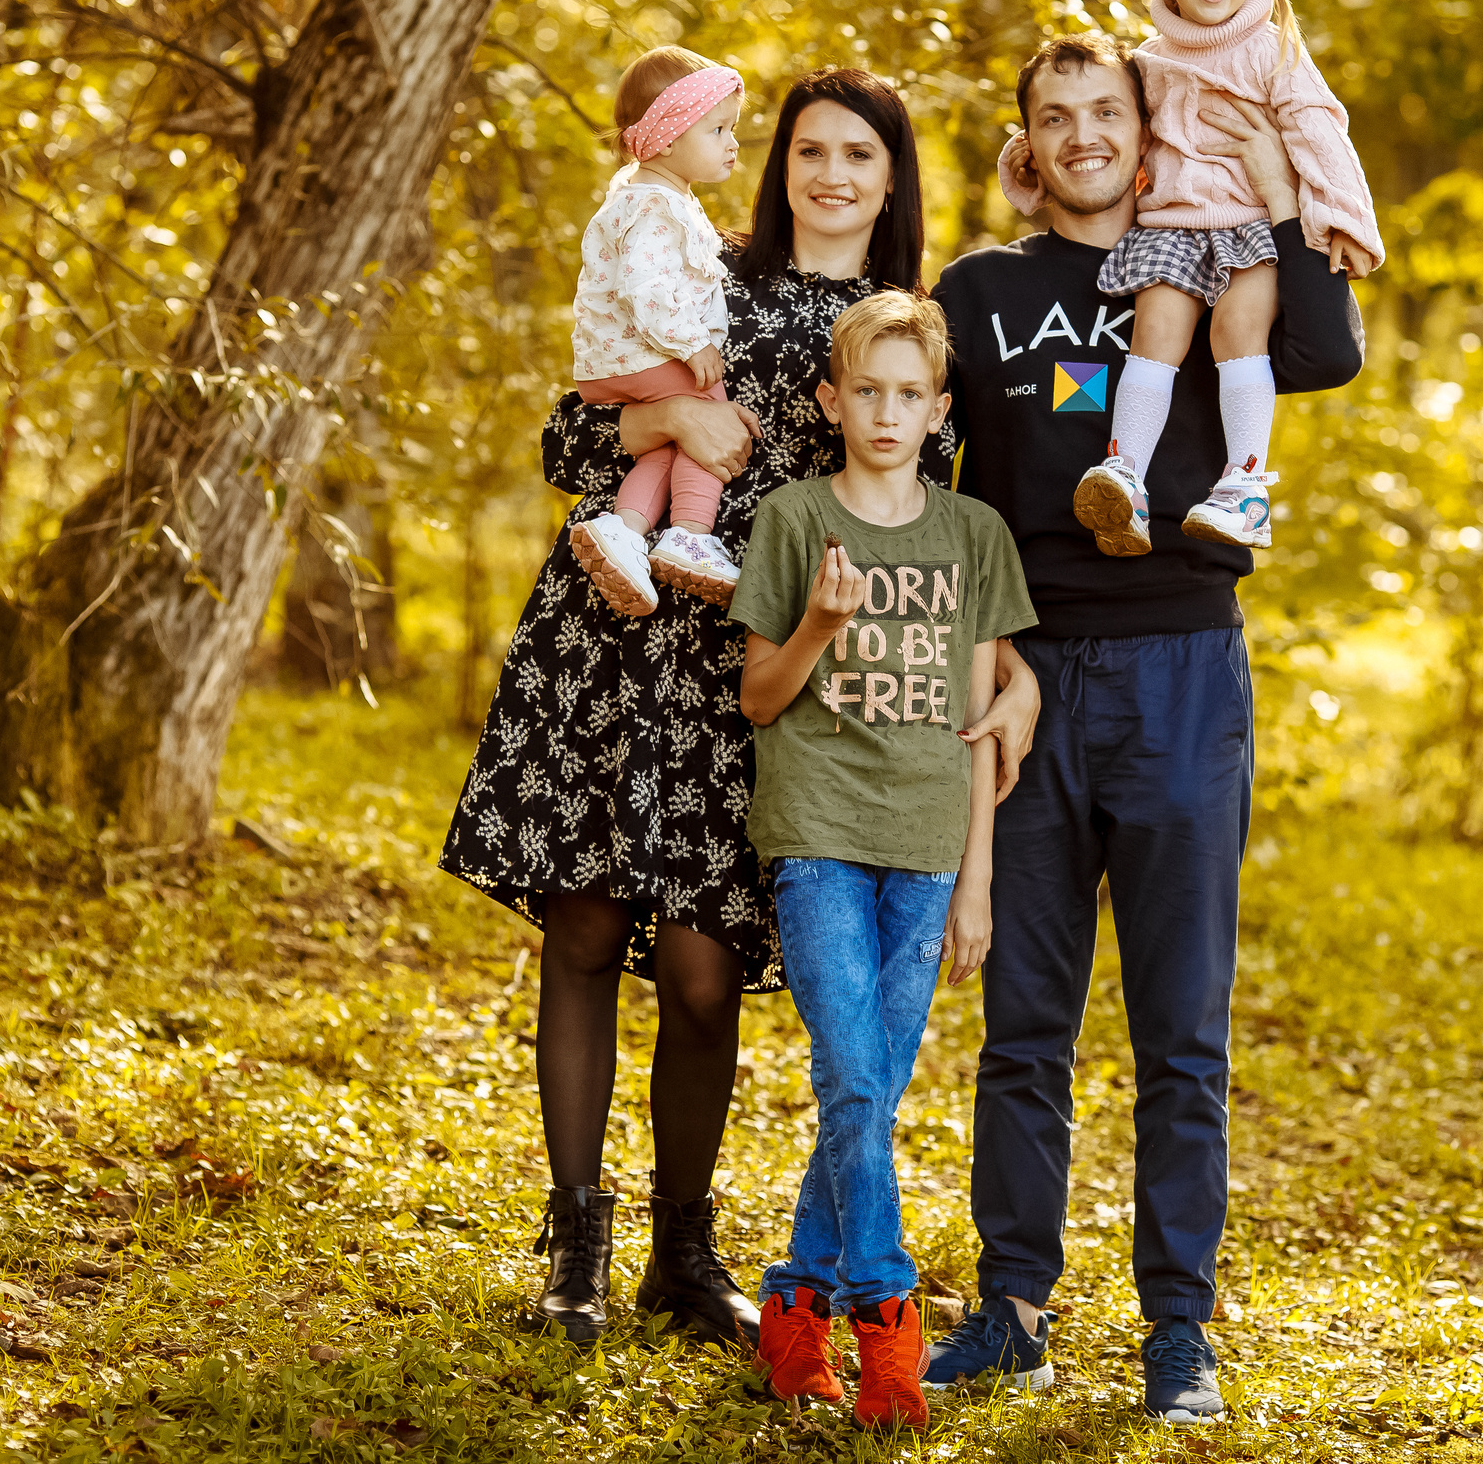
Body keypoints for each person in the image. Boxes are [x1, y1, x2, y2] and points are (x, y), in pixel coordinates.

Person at [439, 69, 1042, 1351]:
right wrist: (668, 415)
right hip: (626, 631)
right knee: (588, 931)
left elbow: (936, 539)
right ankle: (577, 1243)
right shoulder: (694, 258)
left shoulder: (908, 335)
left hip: (766, 679)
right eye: (810, 150)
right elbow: (570, 433)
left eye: (860, 156)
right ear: (777, 165)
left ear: (893, 181)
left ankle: (683, 1247)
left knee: (707, 972)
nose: (832, 174)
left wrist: (1013, 667)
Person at [925, 32, 1367, 1423]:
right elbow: (926, 479)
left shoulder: (1220, 245)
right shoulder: (979, 291)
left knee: (1183, 1026)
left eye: (1104, 110)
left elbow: (1332, 347)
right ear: (1029, 143)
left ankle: (1179, 1325)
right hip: (1033, 677)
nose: (1082, 135)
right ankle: (1013, 1306)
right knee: (1024, 1021)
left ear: (1141, 119)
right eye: (1054, 118)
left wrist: (1262, 159)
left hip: (1183, 662)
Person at [730, 292, 1037, 1433]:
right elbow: (760, 699)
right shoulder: (795, 520)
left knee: (866, 1092)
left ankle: (794, 1309)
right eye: (868, 390)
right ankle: (888, 1320)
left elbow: (982, 724)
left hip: (925, 853)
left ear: (940, 409)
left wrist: (979, 881)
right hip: (815, 835)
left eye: (911, 394)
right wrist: (815, 622)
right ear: (831, 400)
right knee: (854, 1080)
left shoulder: (973, 535)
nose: (888, 411)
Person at [998, 0, 1382, 554]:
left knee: (1239, 331)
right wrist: (1027, 164)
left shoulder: (1271, 48)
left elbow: (1318, 129)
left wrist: (1344, 219)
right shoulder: (1147, 62)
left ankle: (1246, 486)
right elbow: (1106, 135)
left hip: (1248, 229)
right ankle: (1126, 476)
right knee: (1156, 333)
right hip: (1172, 228)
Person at [566, 45, 748, 610]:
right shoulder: (655, 206)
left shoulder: (645, 197)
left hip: (614, 368)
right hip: (647, 359)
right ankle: (691, 534)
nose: (733, 143)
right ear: (667, 139)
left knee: (664, 450)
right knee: (710, 413)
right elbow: (643, 286)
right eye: (718, 129)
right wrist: (692, 342)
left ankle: (625, 529)